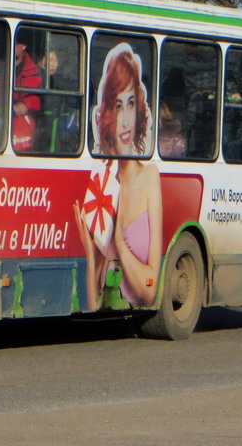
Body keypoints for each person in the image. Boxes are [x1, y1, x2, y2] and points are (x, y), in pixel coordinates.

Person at [73, 42, 162, 311]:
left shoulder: (150, 177)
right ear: (107, 115)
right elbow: (95, 306)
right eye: (117, 106)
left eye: (131, 103)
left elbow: (149, 292)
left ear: (140, 110)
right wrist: (92, 256)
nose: (125, 121)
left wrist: (119, 243)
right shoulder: (102, 187)